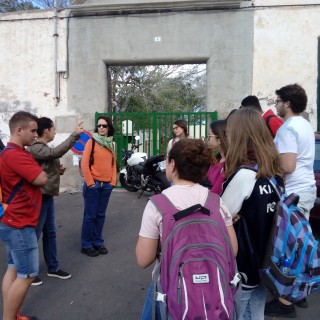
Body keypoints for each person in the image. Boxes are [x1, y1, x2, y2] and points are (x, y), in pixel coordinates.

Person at [136, 138, 238, 319]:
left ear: (173, 164)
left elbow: (144, 259)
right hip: (214, 286)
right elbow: (233, 249)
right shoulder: (216, 202)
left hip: (171, 288)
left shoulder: (158, 205)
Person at [220, 108, 284, 320]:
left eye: (229, 133)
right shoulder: (273, 172)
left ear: (239, 136)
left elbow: (220, 218)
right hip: (266, 261)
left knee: (238, 312)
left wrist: (229, 217)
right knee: (256, 312)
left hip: (244, 264)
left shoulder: (244, 176)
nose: (226, 137)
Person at [264, 84, 316, 317]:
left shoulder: (287, 129)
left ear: (287, 103)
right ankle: (298, 294)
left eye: (277, 101)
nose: (275, 105)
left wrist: (265, 167)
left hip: (294, 193)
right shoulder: (305, 125)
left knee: (290, 247)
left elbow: (287, 166)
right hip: (305, 190)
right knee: (299, 244)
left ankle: (286, 303)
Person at [0, 111, 47, 320]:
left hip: (12, 221)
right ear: (19, 130)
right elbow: (41, 178)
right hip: (20, 223)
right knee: (27, 275)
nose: (36, 135)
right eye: (33, 130)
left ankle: (12, 314)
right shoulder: (15, 155)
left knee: (13, 270)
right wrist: (39, 171)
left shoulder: (10, 153)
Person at [29, 117, 83, 286]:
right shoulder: (37, 147)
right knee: (35, 235)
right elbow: (54, 154)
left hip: (47, 196)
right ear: (47, 131)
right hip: (40, 197)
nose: (54, 132)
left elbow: (44, 166)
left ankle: (53, 267)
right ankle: (30, 273)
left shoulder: (42, 148)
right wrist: (74, 135)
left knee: (50, 233)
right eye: (53, 129)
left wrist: (57, 170)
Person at [80, 116, 117, 257]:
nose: (101, 128)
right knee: (90, 216)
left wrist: (112, 182)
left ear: (109, 128)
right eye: (99, 125)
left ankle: (97, 242)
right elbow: (84, 164)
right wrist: (90, 183)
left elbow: (113, 164)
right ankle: (86, 244)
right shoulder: (91, 142)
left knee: (100, 215)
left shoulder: (111, 144)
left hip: (106, 186)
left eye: (104, 126)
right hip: (93, 185)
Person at [207, 119, 228, 195]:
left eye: (209, 136)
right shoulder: (217, 159)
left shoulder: (228, 164)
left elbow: (216, 192)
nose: (208, 139)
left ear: (219, 139)